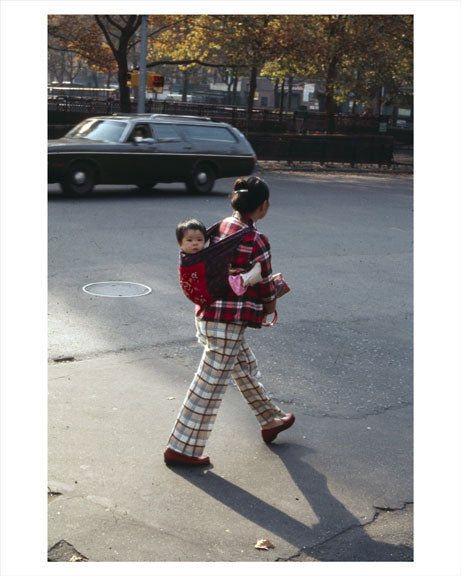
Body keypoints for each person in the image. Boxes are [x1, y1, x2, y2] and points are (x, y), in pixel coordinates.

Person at [164, 176, 295, 466]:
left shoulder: (219, 227)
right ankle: (181, 448)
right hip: (228, 323)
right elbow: (262, 286)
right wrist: (270, 306)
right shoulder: (256, 239)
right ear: (263, 205)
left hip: (207, 313)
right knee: (208, 384)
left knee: (244, 367)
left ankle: (270, 419)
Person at [176, 218, 263, 296]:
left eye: (199, 240)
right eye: (189, 240)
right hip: (202, 290)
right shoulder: (189, 259)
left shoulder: (200, 254)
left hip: (201, 290)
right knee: (230, 281)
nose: (195, 243)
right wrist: (224, 271)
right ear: (180, 243)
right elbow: (207, 270)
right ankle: (246, 279)